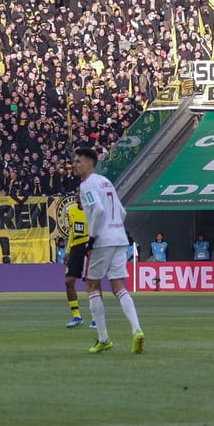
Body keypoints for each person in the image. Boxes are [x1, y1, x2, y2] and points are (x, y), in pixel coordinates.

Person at [74, 147, 144, 355]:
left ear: (89, 163)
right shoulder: (106, 182)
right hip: (119, 237)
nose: (75, 165)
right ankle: (137, 330)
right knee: (119, 287)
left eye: (78, 161)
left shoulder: (86, 185)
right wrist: (115, 229)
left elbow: (99, 209)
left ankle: (103, 338)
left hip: (102, 240)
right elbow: (121, 212)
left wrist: (93, 236)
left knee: (92, 285)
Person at [63, 199, 90, 328]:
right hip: (75, 248)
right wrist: (68, 251)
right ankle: (76, 316)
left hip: (88, 247)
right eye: (78, 194)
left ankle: (97, 318)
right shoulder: (72, 210)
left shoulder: (93, 210)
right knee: (69, 281)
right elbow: (72, 231)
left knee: (92, 283)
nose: (79, 196)